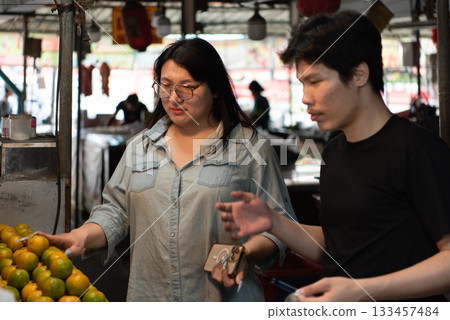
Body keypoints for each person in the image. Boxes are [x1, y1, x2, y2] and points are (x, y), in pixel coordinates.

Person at [216, 11, 450, 302]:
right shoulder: (335, 152)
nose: (305, 97)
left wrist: (363, 290)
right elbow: (338, 245)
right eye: (302, 83)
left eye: (315, 81)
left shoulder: (417, 149)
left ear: (359, 74)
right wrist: (273, 222)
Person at [40, 38, 294, 301]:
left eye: (187, 87)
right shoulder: (141, 146)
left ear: (216, 88)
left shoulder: (249, 147)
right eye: (166, 85)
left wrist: (244, 253)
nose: (173, 97)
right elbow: (116, 211)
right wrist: (81, 235)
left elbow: (279, 225)